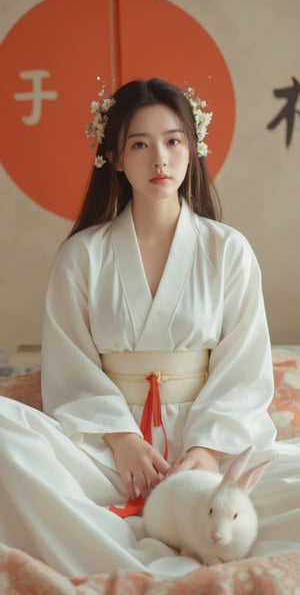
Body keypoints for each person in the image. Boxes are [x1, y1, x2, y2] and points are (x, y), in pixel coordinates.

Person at [0, 78, 299, 578]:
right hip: (104, 450)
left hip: (209, 449)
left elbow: (243, 366)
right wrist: (121, 438)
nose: (159, 158)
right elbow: (70, 364)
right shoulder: (82, 256)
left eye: (173, 140)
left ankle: (129, 549)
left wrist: (204, 450)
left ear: (192, 149)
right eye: (140, 144)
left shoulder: (228, 251)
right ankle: (132, 557)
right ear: (115, 158)